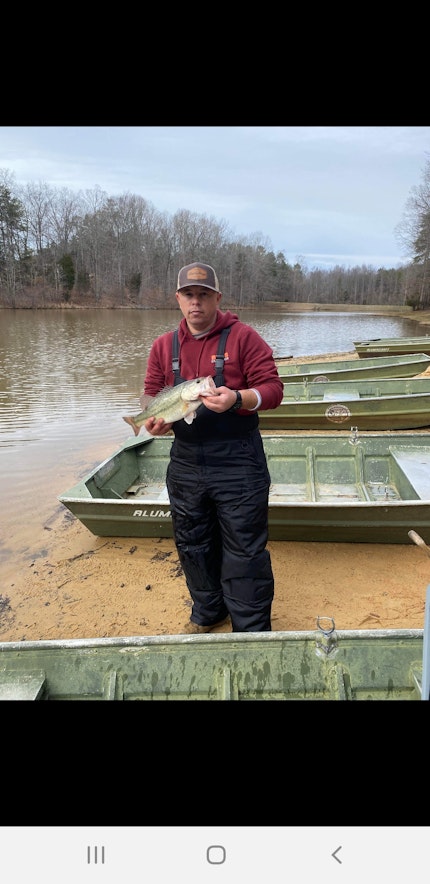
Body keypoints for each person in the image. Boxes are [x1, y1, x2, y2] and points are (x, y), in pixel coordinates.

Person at [141, 261, 284, 633]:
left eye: (204, 295)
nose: (196, 303)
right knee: (193, 543)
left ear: (217, 298)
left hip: (238, 460)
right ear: (177, 298)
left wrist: (238, 397)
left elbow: (272, 389)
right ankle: (208, 612)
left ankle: (250, 629)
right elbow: (150, 394)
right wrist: (153, 421)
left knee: (244, 550)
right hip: (186, 463)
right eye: (188, 294)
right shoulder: (163, 346)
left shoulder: (244, 337)